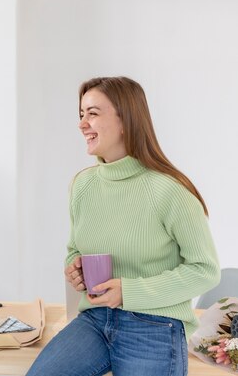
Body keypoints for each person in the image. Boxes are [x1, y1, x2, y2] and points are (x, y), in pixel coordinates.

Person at [26, 77, 220, 376]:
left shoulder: (170, 191)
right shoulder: (83, 185)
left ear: (126, 120)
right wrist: (74, 268)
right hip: (94, 320)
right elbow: (75, 249)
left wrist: (129, 292)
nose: (82, 124)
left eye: (92, 113)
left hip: (153, 324)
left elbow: (204, 270)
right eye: (81, 114)